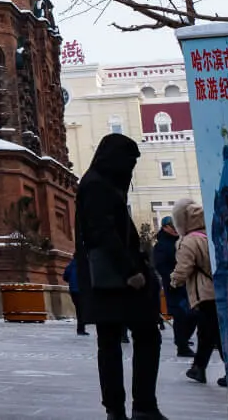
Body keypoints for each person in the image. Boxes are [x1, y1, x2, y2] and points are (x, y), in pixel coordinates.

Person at [77, 132, 168, 420]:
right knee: (136, 338)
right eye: (129, 160)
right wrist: (131, 271)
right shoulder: (97, 185)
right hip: (115, 278)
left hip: (112, 276)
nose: (131, 167)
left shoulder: (102, 182)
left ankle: (129, 408)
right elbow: (102, 232)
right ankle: (132, 407)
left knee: (117, 341)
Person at [170, 198, 223, 389]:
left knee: (213, 333)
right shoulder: (210, 236)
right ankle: (198, 368)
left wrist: (175, 280)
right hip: (219, 290)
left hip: (204, 293)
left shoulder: (188, 241)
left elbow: (184, 266)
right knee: (209, 333)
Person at [150, 214, 193, 358]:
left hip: (188, 284)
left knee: (193, 315)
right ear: (165, 228)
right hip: (174, 285)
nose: (176, 229)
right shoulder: (161, 245)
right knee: (180, 315)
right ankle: (182, 345)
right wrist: (174, 278)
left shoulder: (181, 241)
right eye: (172, 227)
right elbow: (161, 266)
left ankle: (183, 339)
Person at [64, 254, 87, 335]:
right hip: (82, 290)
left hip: (73, 291)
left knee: (79, 310)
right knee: (82, 310)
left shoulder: (70, 266)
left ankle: (80, 328)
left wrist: (71, 282)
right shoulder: (84, 266)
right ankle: (81, 329)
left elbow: (65, 277)